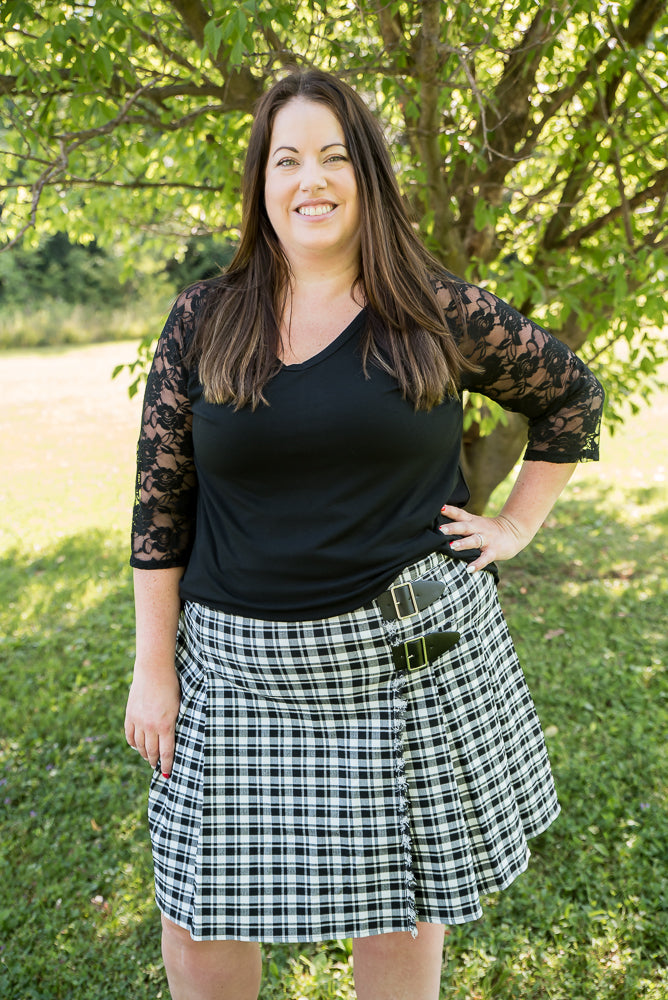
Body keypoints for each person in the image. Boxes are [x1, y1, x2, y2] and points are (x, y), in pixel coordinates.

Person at [124, 68, 604, 1000]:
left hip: (408, 660)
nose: (313, 178)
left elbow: (572, 397)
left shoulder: (432, 307)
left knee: (400, 916)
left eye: (336, 157)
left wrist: (515, 523)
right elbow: (158, 508)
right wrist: (155, 668)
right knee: (194, 918)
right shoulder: (203, 318)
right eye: (289, 158)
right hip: (237, 670)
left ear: (368, 177)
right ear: (261, 182)